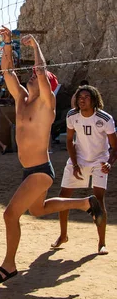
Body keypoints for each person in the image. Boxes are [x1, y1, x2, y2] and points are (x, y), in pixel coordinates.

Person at [0, 27, 104, 284]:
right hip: (30, 170)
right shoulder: (21, 99)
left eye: (37, 77)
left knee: (10, 215)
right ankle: (85, 202)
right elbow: (7, 71)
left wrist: (36, 46)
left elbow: (41, 70)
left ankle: (9, 266)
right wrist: (7, 43)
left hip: (40, 171)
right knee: (37, 210)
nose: (31, 76)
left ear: (46, 86)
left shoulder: (46, 105)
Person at [51, 85, 117, 255]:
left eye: (86, 96)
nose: (82, 99)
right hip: (79, 159)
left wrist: (109, 162)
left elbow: (115, 147)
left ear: (94, 100)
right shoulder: (72, 115)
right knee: (63, 196)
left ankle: (101, 243)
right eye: (80, 96)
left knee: (98, 199)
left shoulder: (105, 118)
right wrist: (74, 163)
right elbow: (70, 141)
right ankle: (63, 235)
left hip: (99, 160)